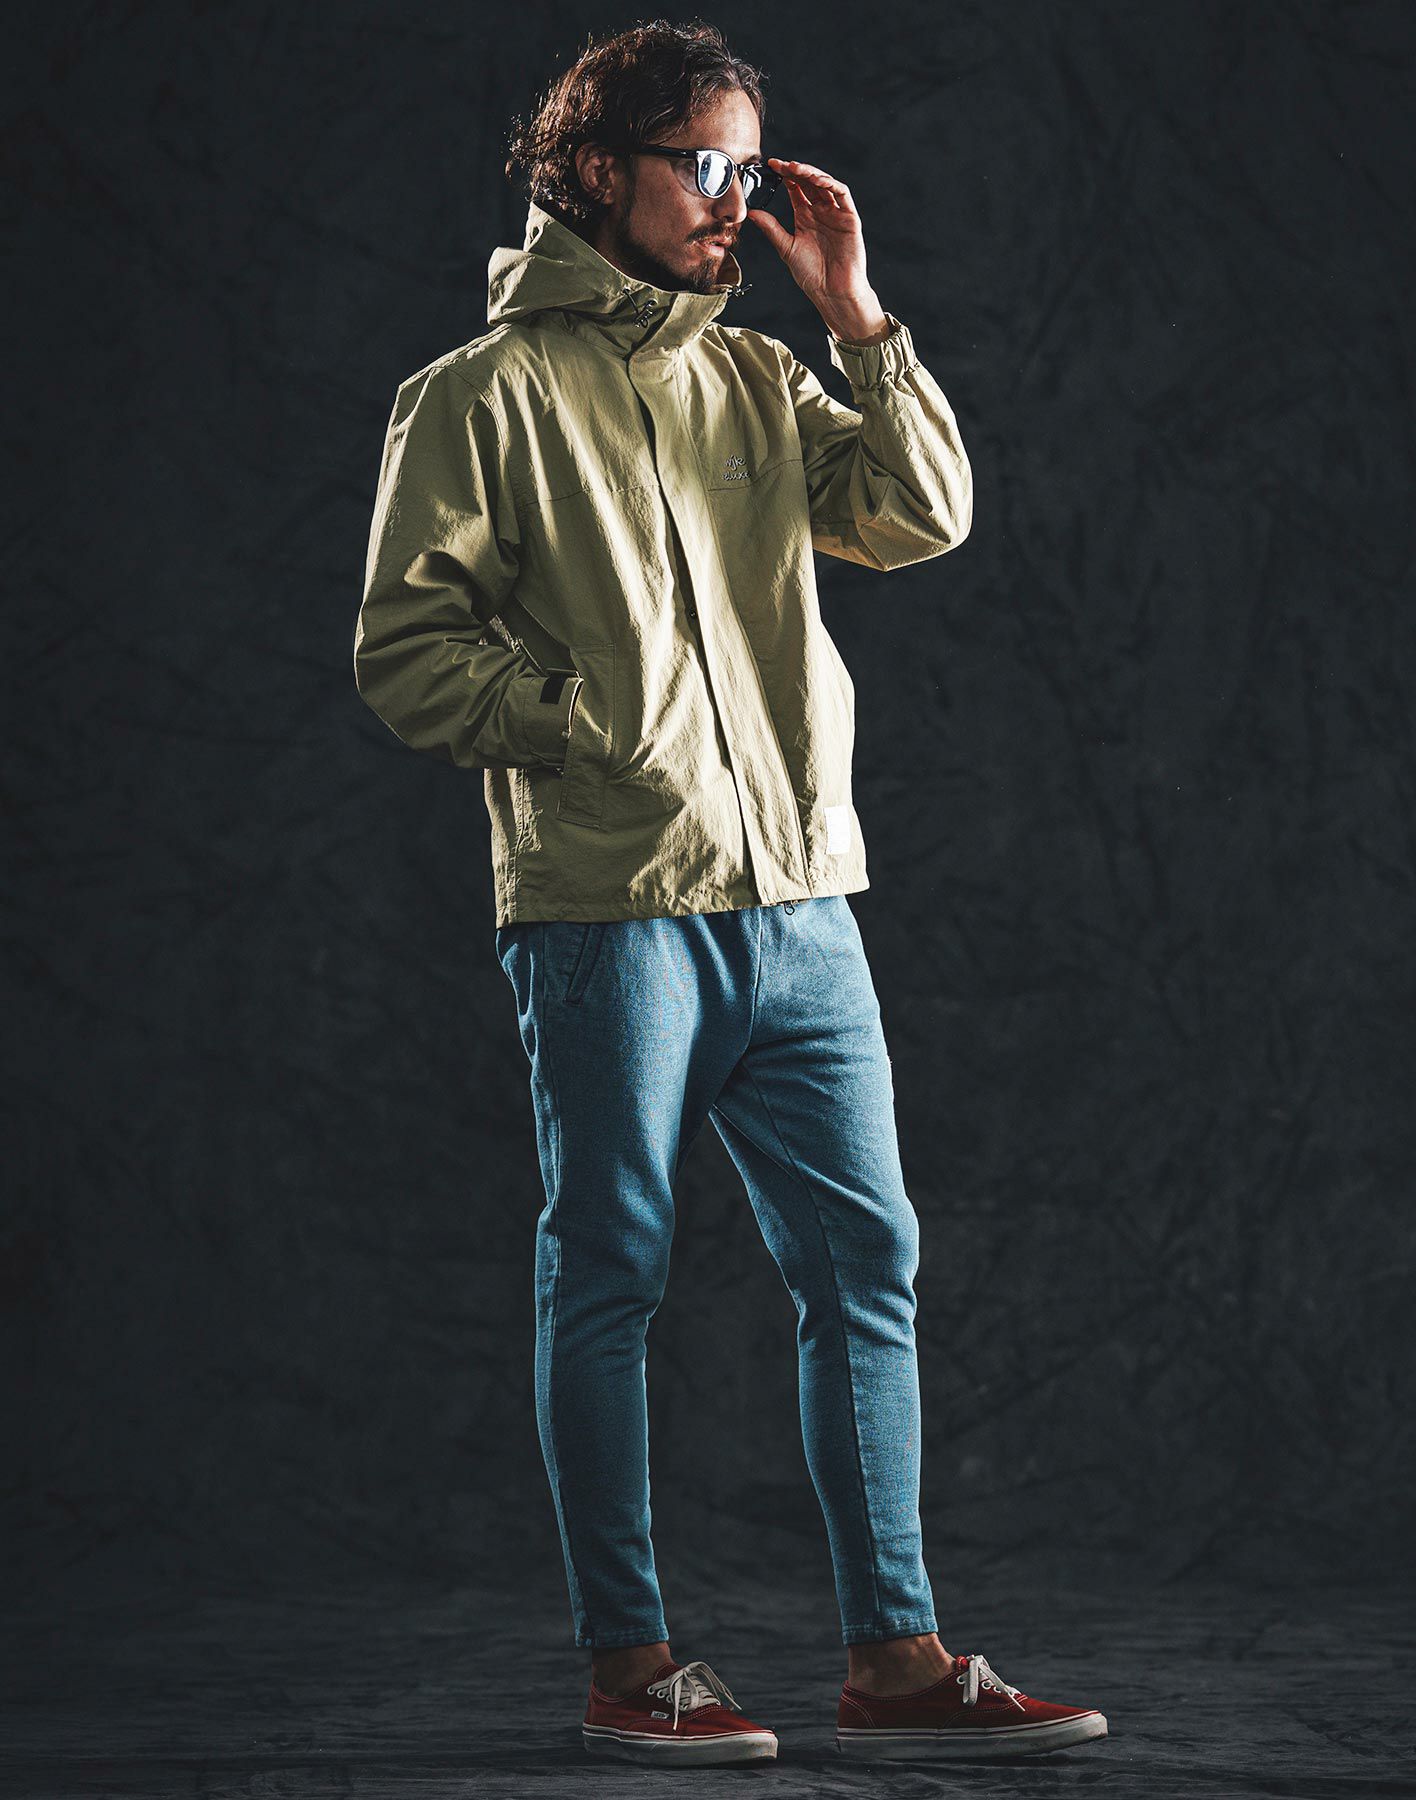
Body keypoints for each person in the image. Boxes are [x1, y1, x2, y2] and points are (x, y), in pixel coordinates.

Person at [354, 17, 1108, 1768]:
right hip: (610, 907)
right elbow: (404, 654)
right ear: (592, 169)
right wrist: (587, 725)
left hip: (804, 903)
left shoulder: (761, 379)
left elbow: (923, 515)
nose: (731, 200)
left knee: (870, 1262)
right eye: (702, 162)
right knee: (611, 1265)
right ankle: (632, 1665)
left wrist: (857, 317)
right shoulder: (478, 396)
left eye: (747, 167)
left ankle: (898, 1660)